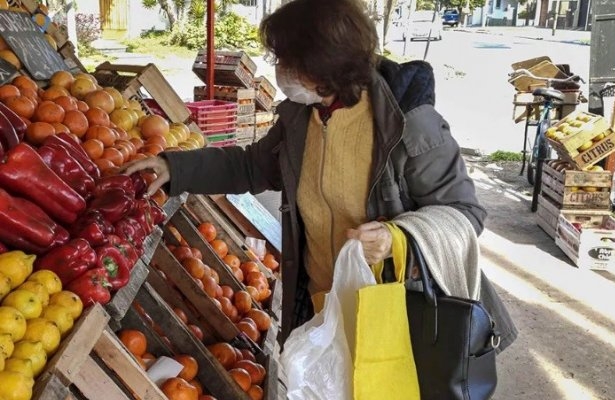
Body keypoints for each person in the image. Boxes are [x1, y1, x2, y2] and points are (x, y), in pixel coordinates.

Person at [123, 0, 516, 396]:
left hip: (398, 314)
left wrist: (397, 238)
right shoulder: (300, 116)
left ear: (325, 63)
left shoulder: (406, 121)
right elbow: (252, 166)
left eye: (287, 59)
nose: (279, 71)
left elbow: (464, 213)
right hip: (324, 307)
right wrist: (177, 169)